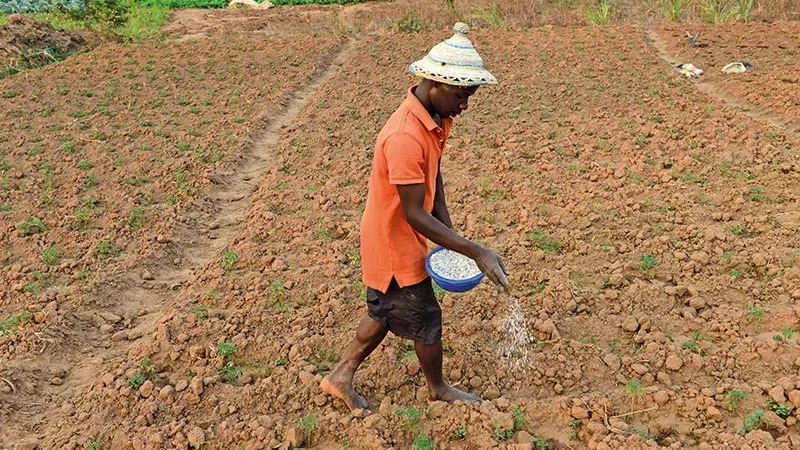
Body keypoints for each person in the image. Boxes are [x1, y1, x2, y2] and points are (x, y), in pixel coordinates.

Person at [321, 22, 510, 411]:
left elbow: (433, 173)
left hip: (401, 233)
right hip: (393, 241)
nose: (465, 104)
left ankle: (341, 375)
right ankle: (438, 388)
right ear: (436, 84)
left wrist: (450, 231)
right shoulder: (405, 136)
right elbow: (412, 214)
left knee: (384, 309)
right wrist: (476, 251)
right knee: (424, 317)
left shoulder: (436, 120)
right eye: (462, 94)